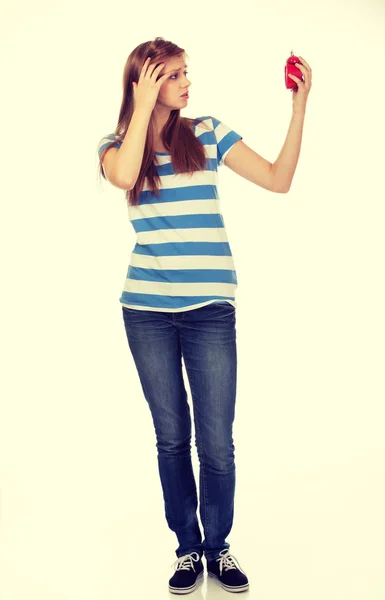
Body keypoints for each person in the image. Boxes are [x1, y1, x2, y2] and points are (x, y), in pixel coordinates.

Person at [97, 36, 311, 595]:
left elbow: (277, 180)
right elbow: (122, 178)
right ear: (145, 83)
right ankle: (188, 551)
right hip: (145, 311)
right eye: (173, 75)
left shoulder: (209, 132)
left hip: (210, 310)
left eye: (186, 71)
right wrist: (142, 106)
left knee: (217, 441)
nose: (188, 82)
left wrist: (299, 107)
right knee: (172, 437)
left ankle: (218, 547)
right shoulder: (118, 146)